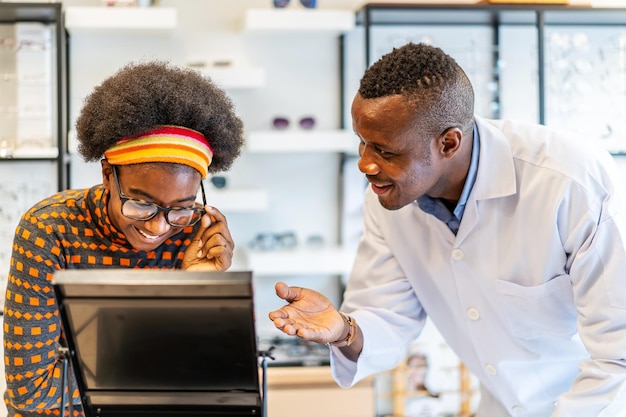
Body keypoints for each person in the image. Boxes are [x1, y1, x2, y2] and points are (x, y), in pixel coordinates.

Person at [269, 42, 626, 416]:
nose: (365, 165)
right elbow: (387, 317)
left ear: (449, 143)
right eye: (362, 143)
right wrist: (344, 330)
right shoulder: (388, 201)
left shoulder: (569, 182)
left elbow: (618, 358)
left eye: (385, 151)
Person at [3, 61, 245, 417]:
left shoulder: (194, 232)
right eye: (141, 203)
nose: (159, 227)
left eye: (180, 207)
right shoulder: (50, 229)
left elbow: (198, 376)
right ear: (106, 174)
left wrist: (196, 286)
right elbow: (31, 391)